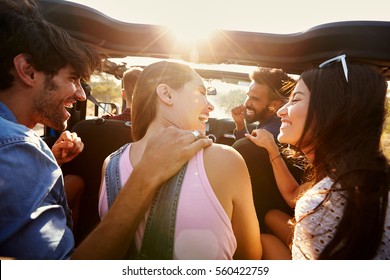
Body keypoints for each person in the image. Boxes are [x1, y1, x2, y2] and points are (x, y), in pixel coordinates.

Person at [0, 0, 211, 260]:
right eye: (73, 79)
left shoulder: (15, 150)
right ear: (28, 71)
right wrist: (146, 175)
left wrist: (48, 160)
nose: (80, 94)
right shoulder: (16, 146)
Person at [98, 61, 262, 260]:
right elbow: (250, 257)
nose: (210, 106)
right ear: (166, 94)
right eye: (201, 92)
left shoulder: (110, 163)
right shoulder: (226, 160)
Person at [246, 55, 390, 259]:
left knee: (263, 240)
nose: (280, 111)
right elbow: (293, 196)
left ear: (331, 113)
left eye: (295, 99)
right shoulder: (367, 176)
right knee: (269, 225)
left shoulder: (319, 206)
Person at [231, 67, 303, 232]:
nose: (247, 103)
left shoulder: (273, 134)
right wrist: (240, 126)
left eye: (255, 99)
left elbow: (246, 149)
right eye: (248, 96)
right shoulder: (274, 127)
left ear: (274, 105)